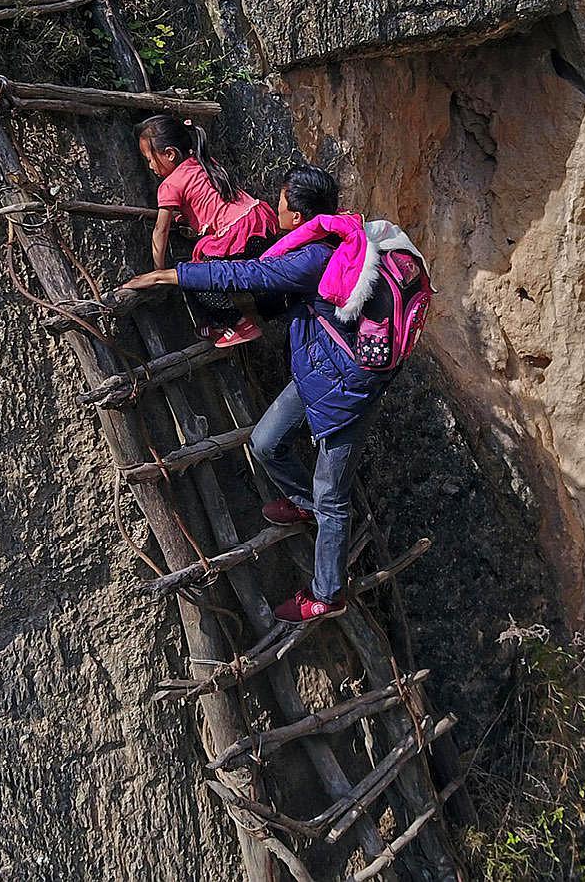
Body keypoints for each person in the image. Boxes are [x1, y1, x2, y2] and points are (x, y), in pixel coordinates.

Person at [122, 166, 390, 624]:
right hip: (320, 369)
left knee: (332, 494)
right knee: (265, 442)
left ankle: (328, 594)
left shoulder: (316, 257)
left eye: (282, 200)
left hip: (350, 387)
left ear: (300, 212)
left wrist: (172, 276)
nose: (277, 205)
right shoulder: (340, 232)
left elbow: (246, 276)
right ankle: (304, 506)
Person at [136, 114, 278, 348]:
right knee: (259, 275)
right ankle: (273, 308)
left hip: (236, 233)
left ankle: (237, 324)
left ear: (170, 154)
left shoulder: (169, 186)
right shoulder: (204, 162)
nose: (150, 165)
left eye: (150, 158)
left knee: (197, 275)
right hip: (259, 222)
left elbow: (160, 230)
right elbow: (209, 203)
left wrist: (159, 272)